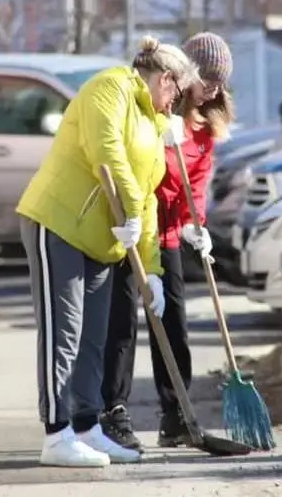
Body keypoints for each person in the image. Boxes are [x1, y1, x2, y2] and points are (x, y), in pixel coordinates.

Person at [16, 35, 201, 468]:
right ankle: (56, 433)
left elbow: (151, 197)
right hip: (59, 222)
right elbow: (107, 151)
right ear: (166, 79)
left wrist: (151, 269)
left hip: (104, 238)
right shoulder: (111, 86)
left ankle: (86, 427)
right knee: (64, 332)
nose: (176, 103)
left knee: (92, 340)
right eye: (177, 91)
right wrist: (132, 210)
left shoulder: (154, 123)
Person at [99, 32, 235, 452]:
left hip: (171, 233)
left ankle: (175, 414)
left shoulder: (206, 126)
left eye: (219, 80)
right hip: (134, 226)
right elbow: (142, 173)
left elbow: (197, 183)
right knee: (122, 322)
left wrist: (200, 226)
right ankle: (113, 411)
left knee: (174, 323)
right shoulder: (155, 115)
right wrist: (163, 138)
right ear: (184, 73)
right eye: (206, 77)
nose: (212, 86)